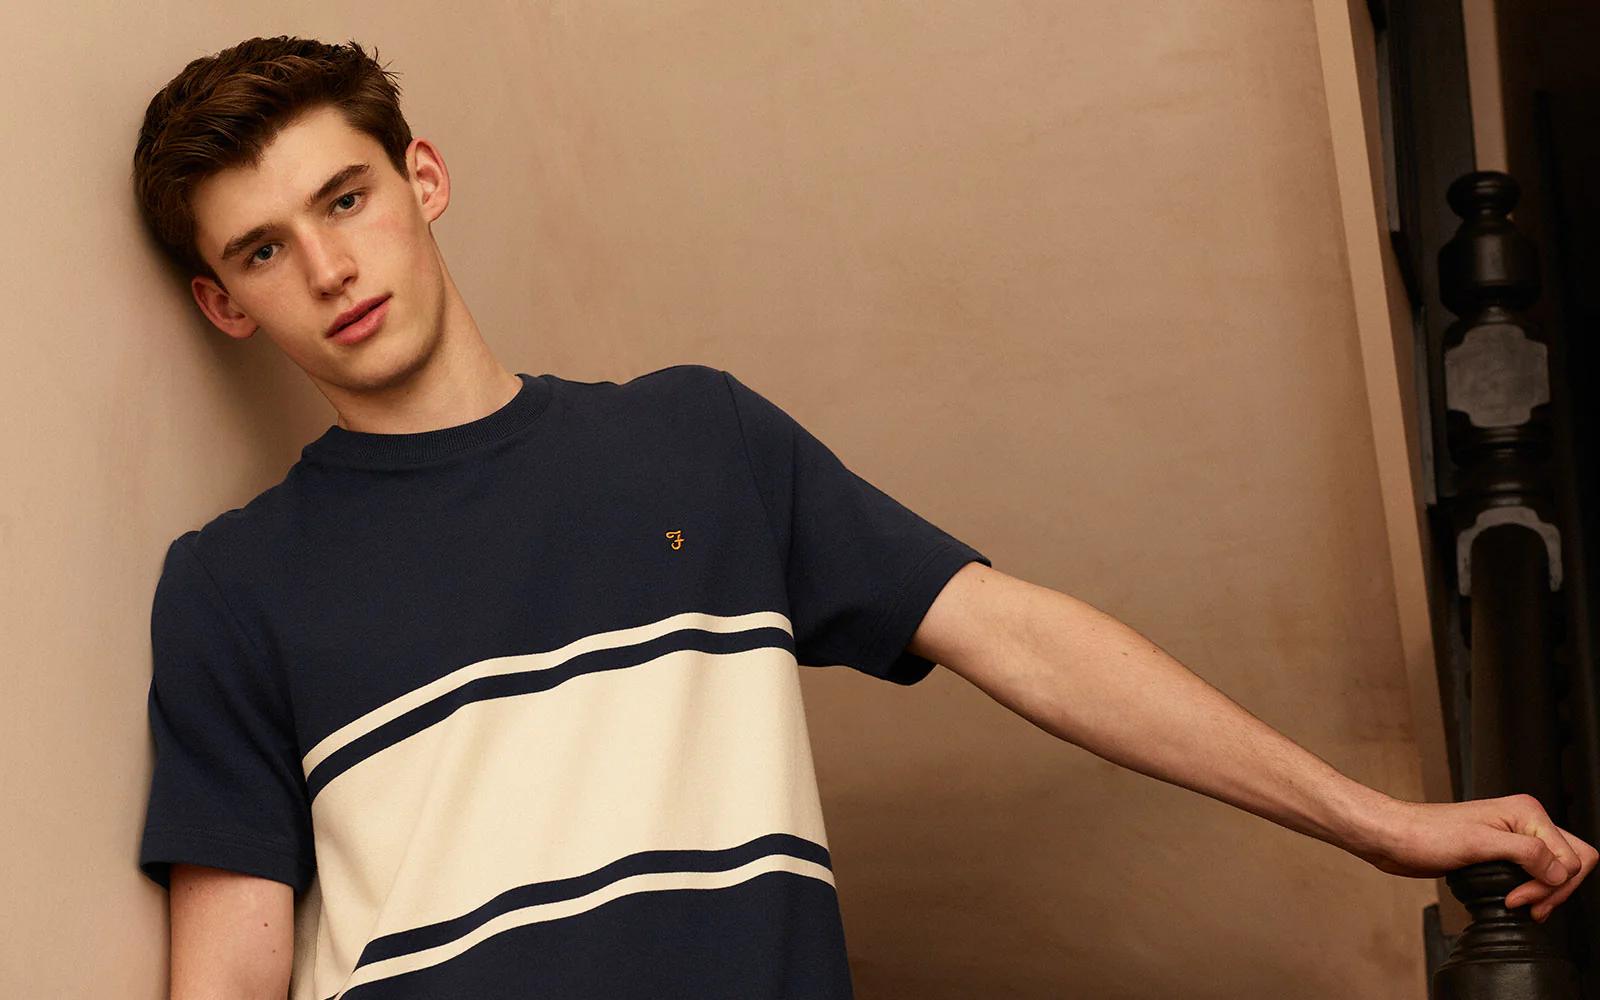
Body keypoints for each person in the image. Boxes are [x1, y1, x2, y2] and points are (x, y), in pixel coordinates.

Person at [131, 35, 1594, 1000]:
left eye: (348, 198)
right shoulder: (234, 584)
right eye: (263, 248)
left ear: (424, 181)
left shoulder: (694, 442)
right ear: (223, 304)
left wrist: (1379, 823)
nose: (328, 265)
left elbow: (1020, 637)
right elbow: (231, 973)